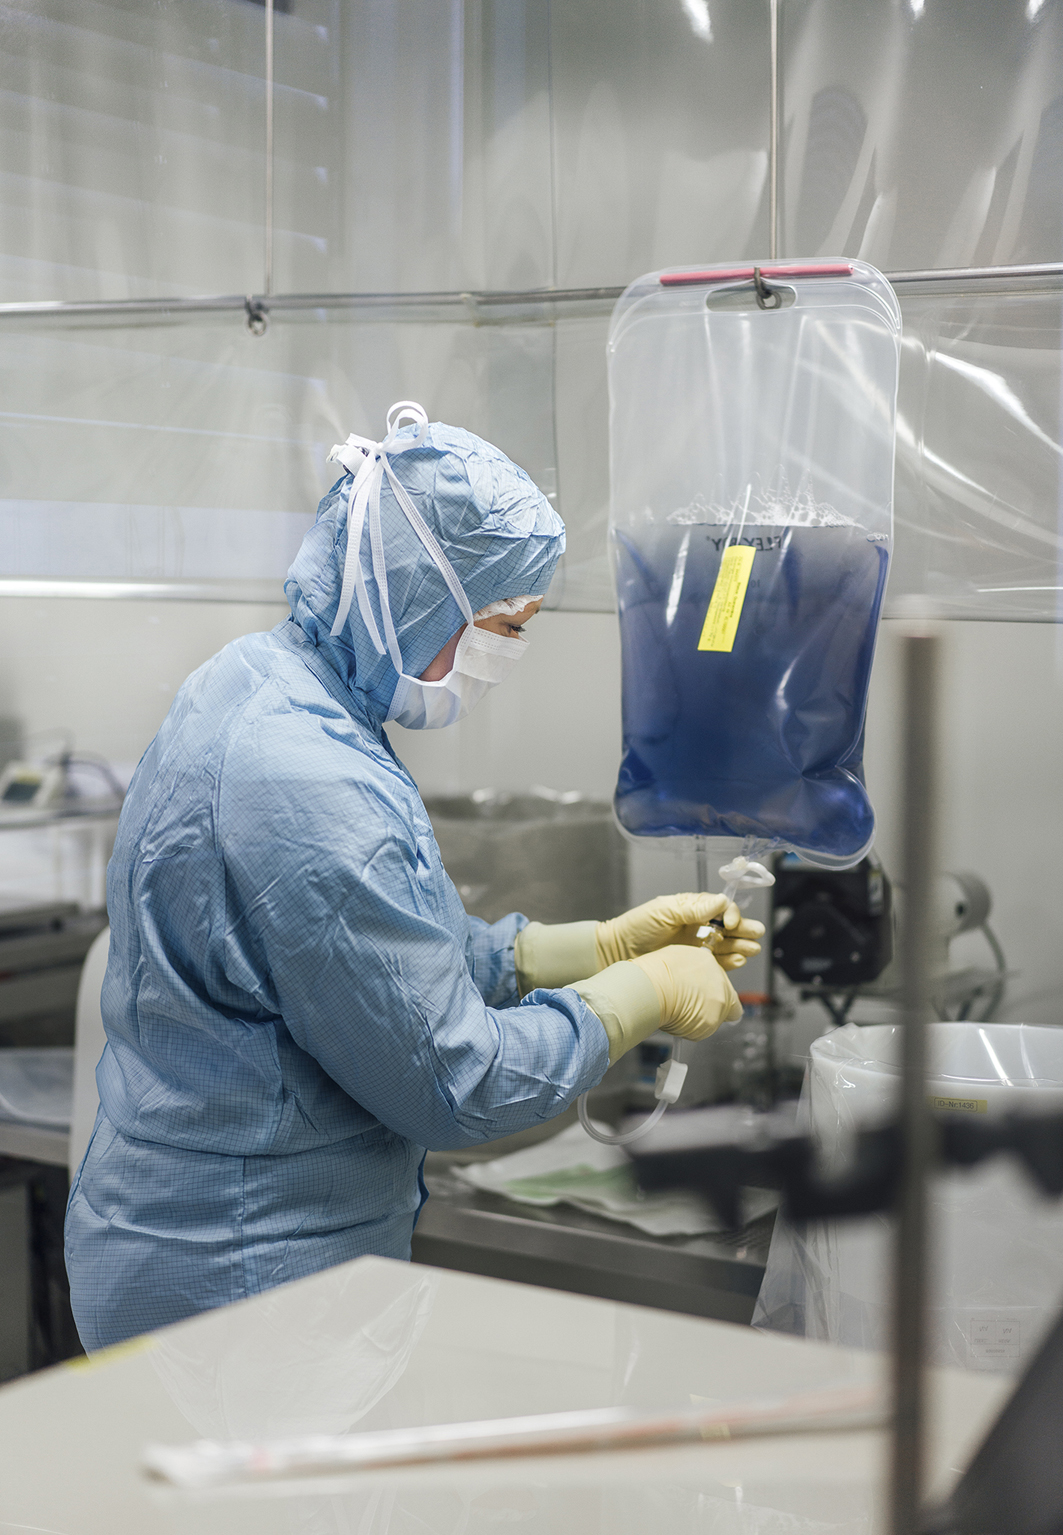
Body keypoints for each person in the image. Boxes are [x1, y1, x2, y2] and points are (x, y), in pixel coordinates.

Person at [64, 404, 763, 1351]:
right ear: (418, 592)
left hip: (206, 1249)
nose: (503, 658)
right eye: (500, 626)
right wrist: (631, 998)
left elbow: (379, 957)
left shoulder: (268, 687)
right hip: (246, 1280)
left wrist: (576, 949)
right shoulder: (307, 783)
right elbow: (450, 1078)